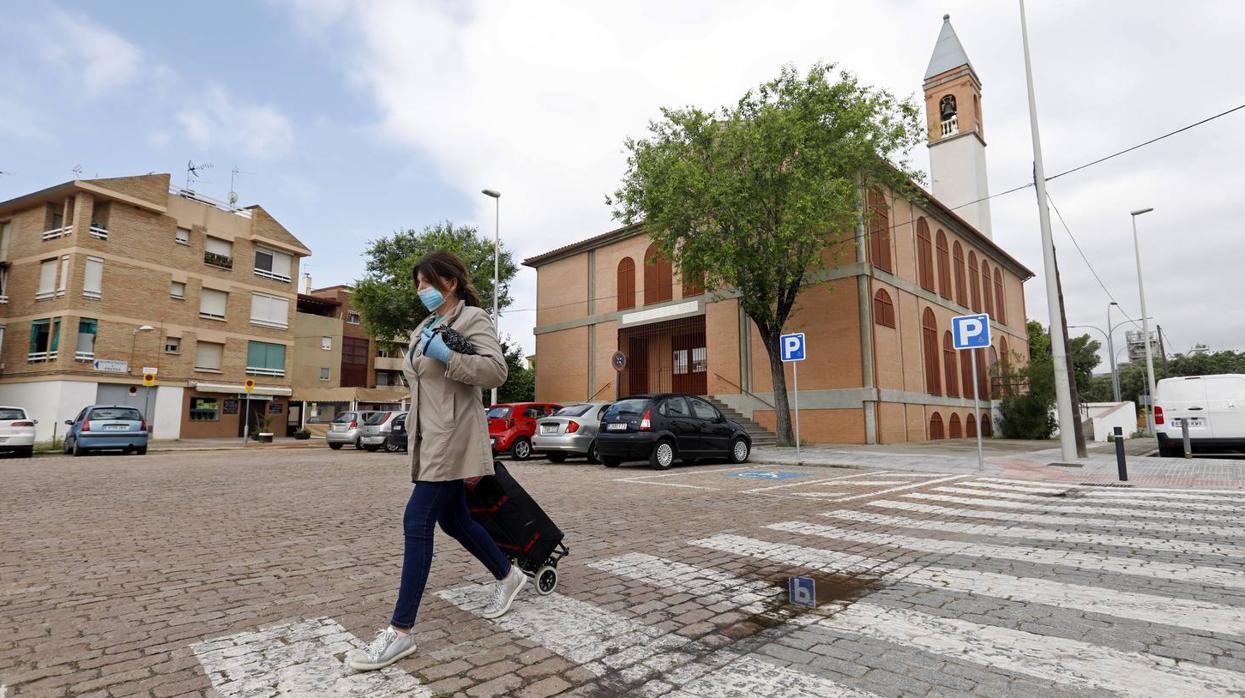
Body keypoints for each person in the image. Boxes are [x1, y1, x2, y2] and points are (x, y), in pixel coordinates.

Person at [349, 251, 525, 672]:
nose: (420, 292)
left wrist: (449, 357)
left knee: (417, 521)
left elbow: (496, 372)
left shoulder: (473, 320)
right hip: (427, 439)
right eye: (417, 285)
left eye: (426, 283)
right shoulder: (422, 328)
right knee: (455, 521)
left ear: (449, 282)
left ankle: (400, 632)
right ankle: (508, 575)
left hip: (454, 439)